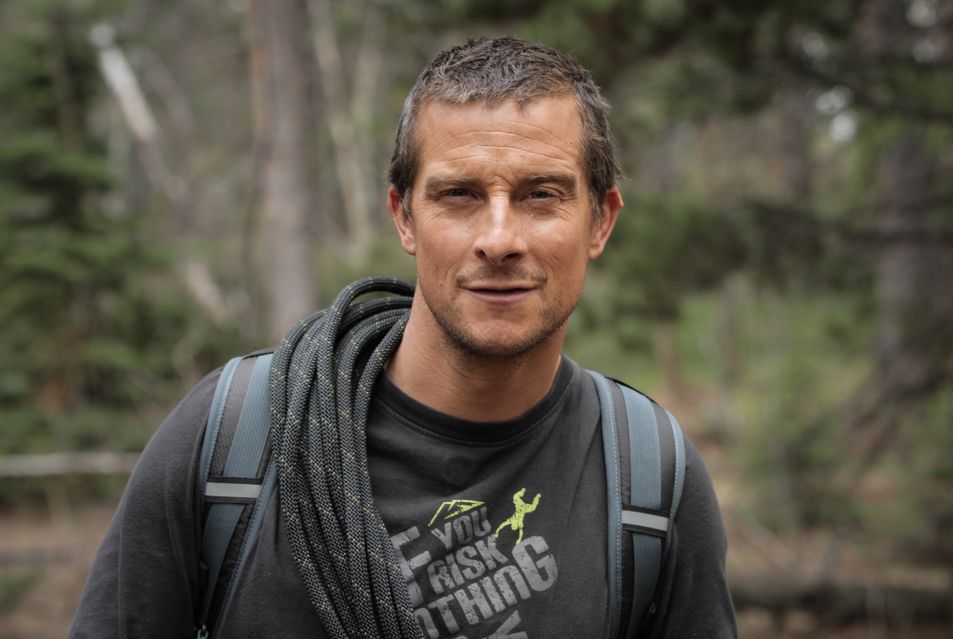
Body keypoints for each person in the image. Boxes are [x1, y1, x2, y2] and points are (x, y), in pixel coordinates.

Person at [70, 36, 737, 638]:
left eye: (541, 194)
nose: (499, 239)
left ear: (601, 221)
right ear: (404, 217)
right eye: (459, 195)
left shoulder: (650, 481)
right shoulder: (234, 440)